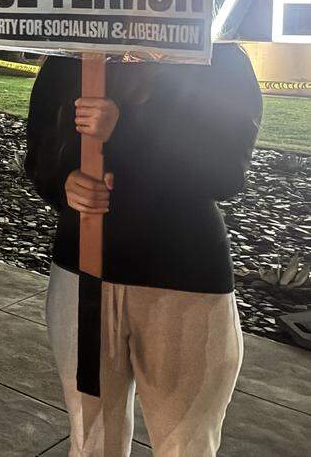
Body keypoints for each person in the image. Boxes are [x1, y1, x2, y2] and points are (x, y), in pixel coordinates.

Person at [25, 48, 262, 457]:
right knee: (91, 440)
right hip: (82, 274)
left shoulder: (217, 60)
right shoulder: (67, 59)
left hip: (184, 281)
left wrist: (130, 127)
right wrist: (64, 183)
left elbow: (227, 170)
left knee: (184, 444)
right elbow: (40, 158)